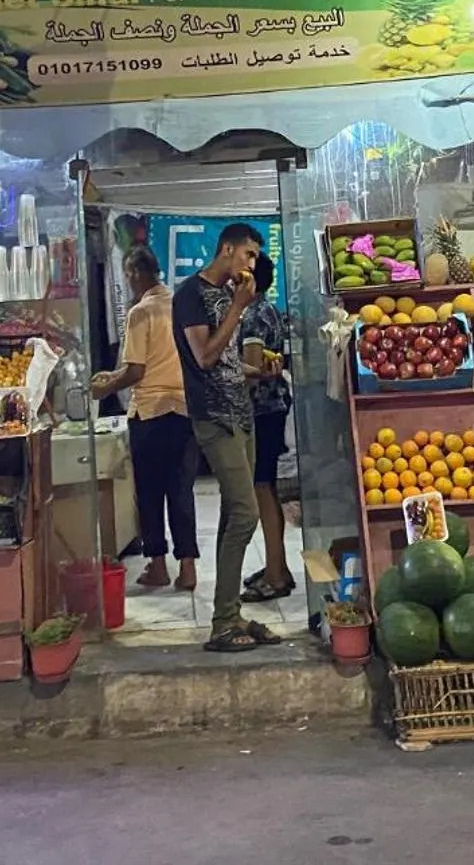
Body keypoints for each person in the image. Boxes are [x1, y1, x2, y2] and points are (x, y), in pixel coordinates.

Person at [172, 222, 279, 652]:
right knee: (246, 514)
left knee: (231, 516)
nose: (252, 264)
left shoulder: (229, 293)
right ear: (227, 249)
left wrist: (258, 372)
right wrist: (237, 307)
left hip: (242, 414)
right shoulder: (190, 296)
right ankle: (222, 624)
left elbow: (228, 363)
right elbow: (204, 357)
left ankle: (229, 613)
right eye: (248, 255)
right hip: (214, 420)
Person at [91, 245, 199, 593]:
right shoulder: (180, 305)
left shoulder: (141, 313)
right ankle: (188, 569)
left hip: (151, 413)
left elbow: (136, 370)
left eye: (128, 274)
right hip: (184, 411)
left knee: (150, 492)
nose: (128, 280)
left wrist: (106, 388)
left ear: (136, 273)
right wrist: (114, 375)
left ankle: (157, 565)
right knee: (181, 490)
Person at [238, 253, 296, 604]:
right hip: (273, 408)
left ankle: (275, 575)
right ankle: (279, 567)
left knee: (263, 490)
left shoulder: (255, 315)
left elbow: (254, 367)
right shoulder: (270, 310)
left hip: (262, 411)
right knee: (267, 488)